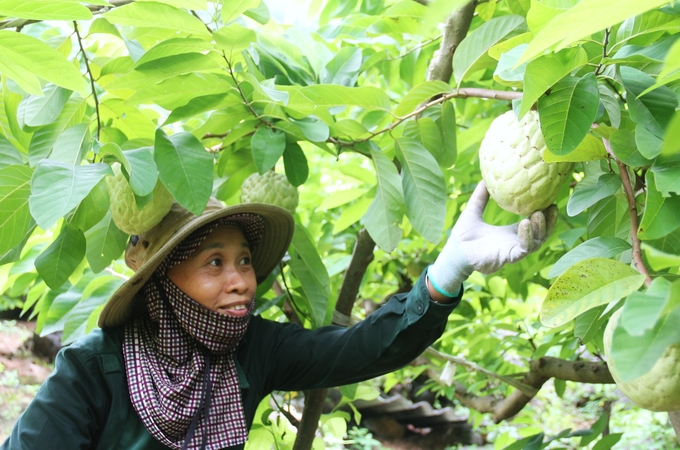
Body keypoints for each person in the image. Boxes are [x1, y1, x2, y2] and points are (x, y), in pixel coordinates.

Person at [1, 182, 556, 450]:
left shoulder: (253, 348)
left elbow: (358, 349)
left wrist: (448, 271)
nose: (241, 279)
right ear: (163, 278)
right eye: (213, 263)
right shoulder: (95, 366)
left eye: (243, 260)